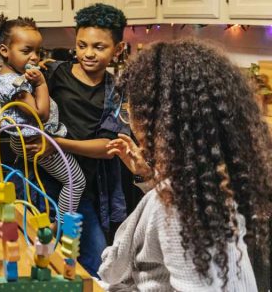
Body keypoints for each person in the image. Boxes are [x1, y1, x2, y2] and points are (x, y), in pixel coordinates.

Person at [100, 39, 271, 290]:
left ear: (156, 119)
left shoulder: (180, 203)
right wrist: (151, 179)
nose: (130, 121)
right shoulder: (223, 180)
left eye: (130, 110)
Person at [24, 3, 129, 277]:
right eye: (82, 45)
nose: (88, 53)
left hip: (85, 193)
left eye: (99, 47)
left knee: (98, 266)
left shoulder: (116, 92)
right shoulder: (53, 74)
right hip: (42, 188)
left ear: (118, 49)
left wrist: (56, 144)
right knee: (39, 264)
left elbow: (109, 148)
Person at [0, 14, 85, 223]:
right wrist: (41, 83)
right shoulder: (13, 83)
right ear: (4, 51)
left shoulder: (13, 75)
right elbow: (39, 113)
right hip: (34, 140)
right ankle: (60, 226)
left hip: (28, 138)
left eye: (38, 52)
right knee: (75, 181)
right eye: (27, 51)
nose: (34, 57)